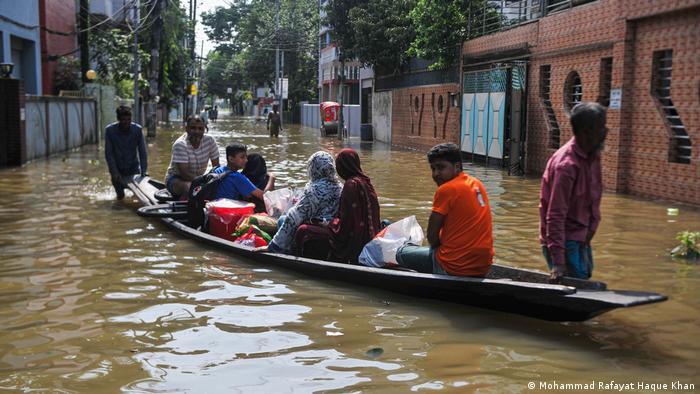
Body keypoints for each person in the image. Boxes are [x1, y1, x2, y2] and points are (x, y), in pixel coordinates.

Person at [395, 143, 494, 276]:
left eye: (441, 168)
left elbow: (432, 236)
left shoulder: (446, 189)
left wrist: (439, 249)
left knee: (400, 253)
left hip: (452, 266)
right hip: (483, 265)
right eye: (433, 168)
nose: (436, 174)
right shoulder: (477, 184)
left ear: (457, 166)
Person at [540, 102, 607, 282]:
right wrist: (558, 262)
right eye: (601, 128)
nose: (605, 132)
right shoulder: (566, 166)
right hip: (564, 240)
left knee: (584, 278)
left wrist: (590, 232)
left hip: (581, 237)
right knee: (575, 285)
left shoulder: (593, 155)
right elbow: (554, 215)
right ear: (586, 131)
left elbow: (594, 199)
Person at [294, 148, 381, 263]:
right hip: (370, 238)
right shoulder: (367, 182)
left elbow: (345, 226)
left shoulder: (351, 185)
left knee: (303, 230)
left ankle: (302, 262)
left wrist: (326, 224)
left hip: (352, 244)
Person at [263, 151, 342, 254]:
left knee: (283, 219)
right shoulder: (340, 187)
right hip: (331, 228)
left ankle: (285, 251)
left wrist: (273, 246)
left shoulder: (314, 189)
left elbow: (294, 217)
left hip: (317, 228)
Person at [164, 116, 220, 198]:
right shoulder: (180, 144)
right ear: (186, 129)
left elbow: (216, 167)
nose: (197, 131)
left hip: (198, 179)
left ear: (205, 129)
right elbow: (184, 174)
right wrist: (205, 183)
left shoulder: (210, 141)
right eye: (193, 128)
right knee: (189, 187)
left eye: (200, 128)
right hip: (175, 179)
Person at [104, 105, 148, 199]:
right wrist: (114, 172)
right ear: (118, 119)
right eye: (124, 120)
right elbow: (109, 154)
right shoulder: (110, 131)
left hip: (133, 168)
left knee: (137, 197)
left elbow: (142, 152)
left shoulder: (137, 130)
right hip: (117, 169)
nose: (126, 122)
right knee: (120, 197)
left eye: (129, 119)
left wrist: (144, 171)